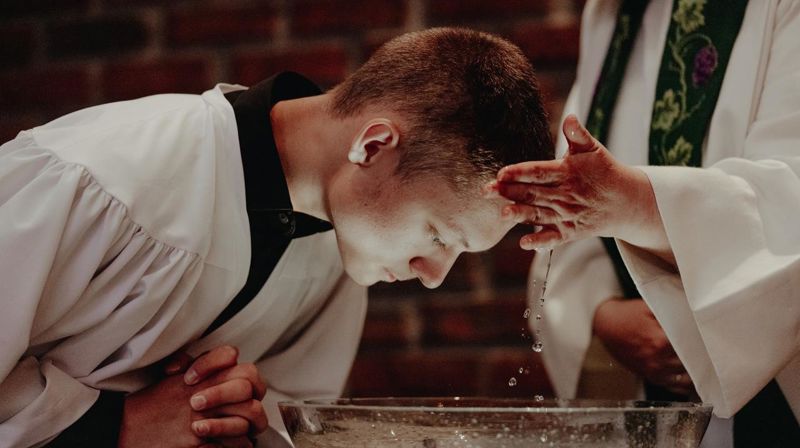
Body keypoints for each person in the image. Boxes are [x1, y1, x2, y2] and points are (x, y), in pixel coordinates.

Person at [0, 27, 554, 447]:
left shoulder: (340, 252)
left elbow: (290, 422)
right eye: (437, 234)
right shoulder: (109, 171)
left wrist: (234, 417)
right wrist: (114, 425)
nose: (432, 277)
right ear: (373, 146)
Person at [487, 1, 800, 446]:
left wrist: (635, 202)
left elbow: (790, 192)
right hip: (655, 398)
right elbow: (574, 205)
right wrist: (600, 313)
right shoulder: (614, 15)